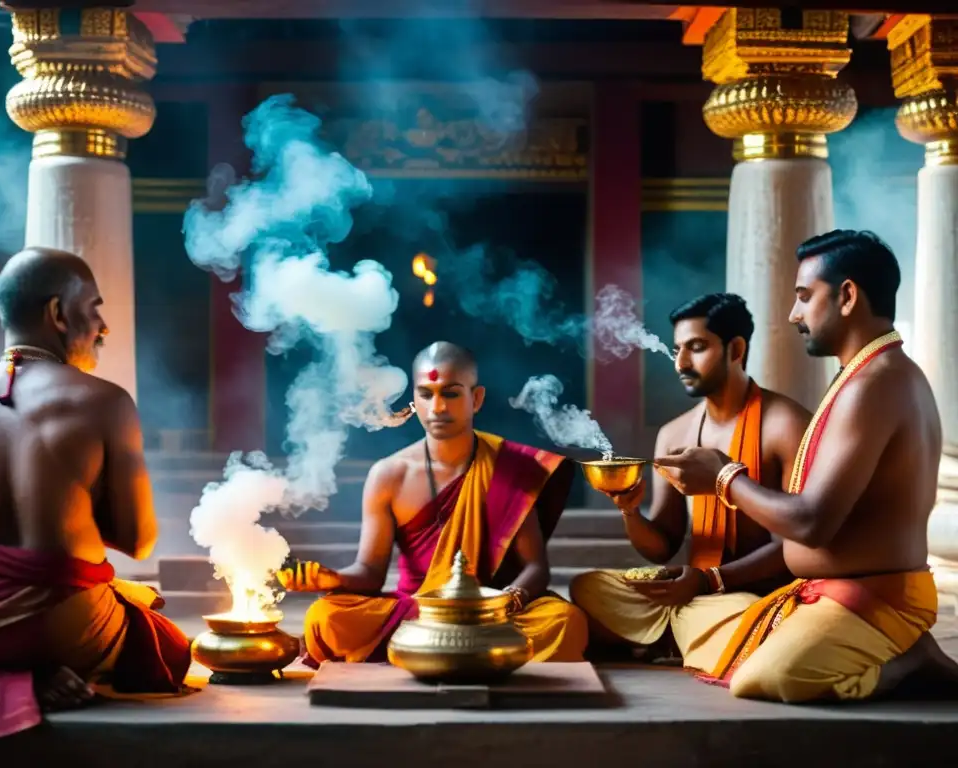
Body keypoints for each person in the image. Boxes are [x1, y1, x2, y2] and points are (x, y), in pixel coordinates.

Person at [653, 229, 958, 703]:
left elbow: (812, 523)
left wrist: (723, 477)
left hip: (874, 599)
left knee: (767, 678)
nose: (794, 313)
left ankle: (908, 661)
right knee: (691, 618)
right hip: (825, 592)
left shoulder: (876, 383)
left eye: (804, 296)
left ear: (848, 296)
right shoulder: (865, 374)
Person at [0, 247, 193, 739]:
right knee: (165, 641)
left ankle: (12, 672)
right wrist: (74, 507)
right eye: (94, 307)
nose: (102, 326)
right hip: (60, 627)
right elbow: (140, 541)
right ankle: (39, 668)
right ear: (57, 312)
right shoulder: (105, 401)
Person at [276, 341, 589, 666]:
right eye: (426, 394)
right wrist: (335, 579)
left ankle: (425, 654)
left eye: (451, 393)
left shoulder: (507, 466)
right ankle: (482, 656)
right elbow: (370, 573)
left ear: (476, 399)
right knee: (325, 617)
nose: (437, 407)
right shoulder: (389, 474)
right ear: (414, 399)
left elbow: (536, 568)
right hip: (417, 610)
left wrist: (502, 603)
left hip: (491, 609)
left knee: (564, 622)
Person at [570, 293, 810, 669]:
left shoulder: (784, 424)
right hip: (692, 595)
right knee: (587, 587)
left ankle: (671, 639)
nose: (680, 362)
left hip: (751, 596)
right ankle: (687, 637)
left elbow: (796, 545)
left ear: (736, 349)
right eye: (677, 349)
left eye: (696, 348)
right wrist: (630, 512)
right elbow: (661, 545)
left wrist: (707, 581)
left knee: (758, 617)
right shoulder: (673, 434)